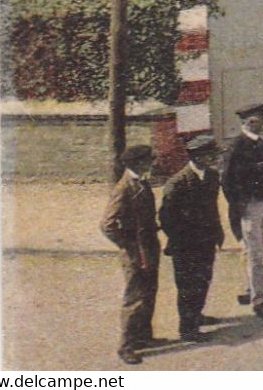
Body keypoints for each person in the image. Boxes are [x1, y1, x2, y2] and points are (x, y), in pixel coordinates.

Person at [157, 135, 224, 343]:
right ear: (195, 157)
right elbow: (166, 218)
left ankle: (197, 315)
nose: (213, 158)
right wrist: (182, 240)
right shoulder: (177, 183)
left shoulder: (212, 176)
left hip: (207, 241)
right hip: (185, 246)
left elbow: (213, 208)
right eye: (208, 155)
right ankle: (187, 329)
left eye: (213, 154)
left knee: (204, 279)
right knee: (187, 286)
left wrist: (218, 232)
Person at [222, 103, 263, 319]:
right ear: (250, 121)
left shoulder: (258, 143)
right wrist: (241, 205)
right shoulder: (237, 146)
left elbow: (259, 172)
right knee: (255, 253)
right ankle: (259, 300)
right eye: (261, 119)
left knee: (253, 250)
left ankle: (249, 289)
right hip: (251, 206)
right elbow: (228, 181)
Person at [101, 144, 160, 365]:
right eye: (148, 161)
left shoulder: (141, 181)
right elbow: (107, 225)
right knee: (134, 298)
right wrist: (127, 245)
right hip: (136, 251)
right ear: (138, 163)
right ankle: (125, 346)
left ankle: (143, 337)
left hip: (149, 246)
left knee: (149, 293)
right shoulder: (124, 187)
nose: (152, 164)